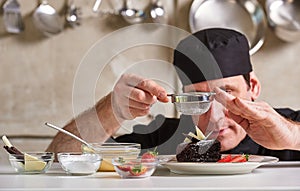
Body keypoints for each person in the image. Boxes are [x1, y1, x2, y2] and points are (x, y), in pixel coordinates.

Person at [46, 28, 300, 160]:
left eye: (227, 94)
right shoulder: (160, 139)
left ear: (253, 87)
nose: (213, 116)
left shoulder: (288, 129)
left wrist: (293, 137)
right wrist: (109, 111)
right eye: (197, 99)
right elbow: (59, 160)